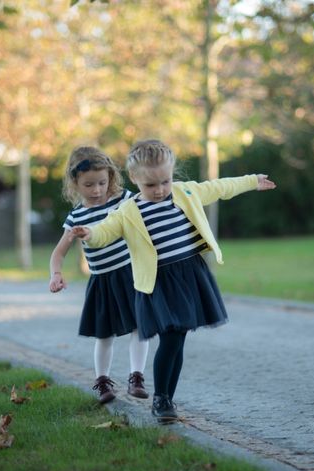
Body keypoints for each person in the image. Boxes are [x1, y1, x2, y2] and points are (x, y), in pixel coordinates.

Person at [71, 139, 276, 423]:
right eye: (150, 185)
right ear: (134, 179)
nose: (159, 190)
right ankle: (161, 399)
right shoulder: (128, 211)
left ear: (172, 174)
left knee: (178, 338)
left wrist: (251, 181)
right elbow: (105, 231)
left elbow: (219, 187)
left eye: (165, 182)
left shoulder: (185, 192)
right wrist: (90, 235)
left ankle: (166, 398)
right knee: (170, 337)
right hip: (157, 283)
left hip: (189, 275)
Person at [49, 146, 149, 404]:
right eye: (88, 185)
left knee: (140, 327)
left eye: (102, 183)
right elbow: (58, 253)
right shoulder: (76, 216)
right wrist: (55, 274)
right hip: (102, 281)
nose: (96, 190)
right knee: (104, 335)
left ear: (111, 178)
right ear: (75, 183)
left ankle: (136, 376)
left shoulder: (124, 199)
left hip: (131, 275)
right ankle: (102, 382)